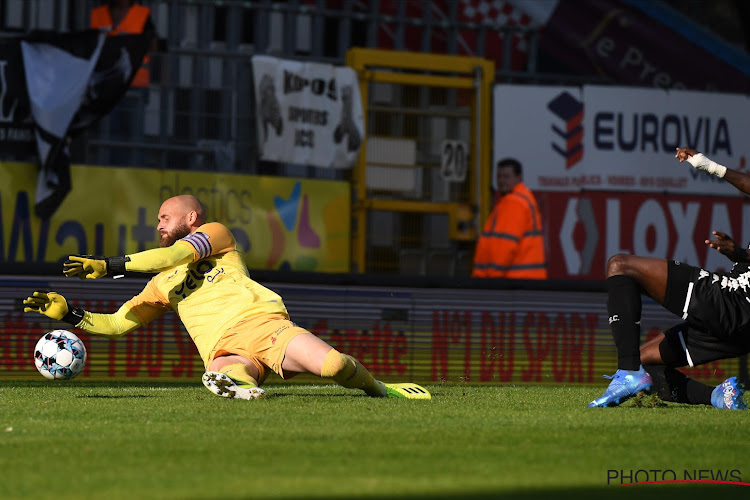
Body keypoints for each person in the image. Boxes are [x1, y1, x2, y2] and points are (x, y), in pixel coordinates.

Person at [23, 195, 430, 401]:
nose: (159, 224)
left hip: (265, 326)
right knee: (231, 370)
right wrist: (72, 314)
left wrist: (109, 265)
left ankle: (380, 389)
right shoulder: (160, 286)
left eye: (165, 217)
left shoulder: (216, 236)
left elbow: (171, 255)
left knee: (336, 365)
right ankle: (237, 383)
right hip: (222, 347)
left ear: (191, 219)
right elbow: (116, 324)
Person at [589, 147, 748, 410]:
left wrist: (742, 253)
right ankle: (719, 396)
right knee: (646, 362)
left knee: (620, 265)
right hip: (742, 329)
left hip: (735, 303)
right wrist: (710, 166)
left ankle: (627, 372)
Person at [472, 158, 547, 279]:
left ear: (519, 178)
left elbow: (505, 246)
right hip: (524, 280)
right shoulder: (523, 198)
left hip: (513, 282)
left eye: (506, 177)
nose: (501, 181)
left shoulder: (514, 202)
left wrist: (491, 279)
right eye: (499, 176)